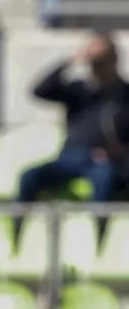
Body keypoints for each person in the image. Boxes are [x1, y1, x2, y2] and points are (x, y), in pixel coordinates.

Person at [18, 32, 129, 203]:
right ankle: (18, 227)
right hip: (71, 156)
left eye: (102, 62)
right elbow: (39, 91)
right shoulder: (79, 91)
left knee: (105, 179)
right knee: (29, 177)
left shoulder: (123, 95)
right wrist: (69, 62)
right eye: (94, 63)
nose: (97, 68)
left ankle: (98, 227)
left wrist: (120, 150)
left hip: (103, 160)